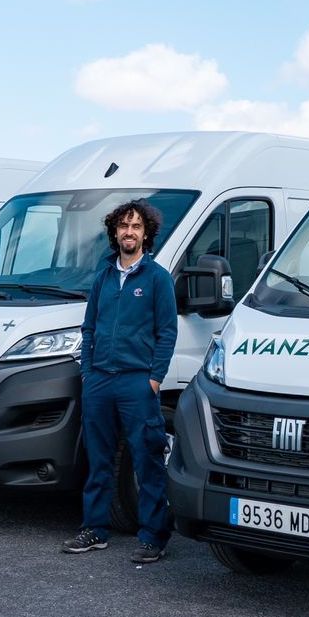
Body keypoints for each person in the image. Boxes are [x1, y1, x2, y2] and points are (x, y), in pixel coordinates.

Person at [62, 197, 177, 564]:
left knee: (147, 460)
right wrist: (88, 372)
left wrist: (155, 379)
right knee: (98, 460)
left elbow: (167, 333)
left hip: (137, 383)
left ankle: (153, 536)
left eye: (136, 226)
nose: (129, 232)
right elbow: (89, 327)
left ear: (146, 234)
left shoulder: (157, 278)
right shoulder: (104, 277)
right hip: (99, 382)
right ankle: (94, 530)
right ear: (115, 232)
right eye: (123, 226)